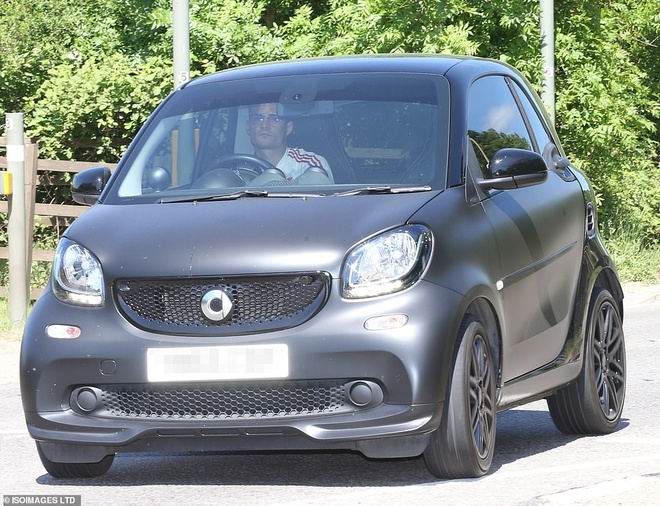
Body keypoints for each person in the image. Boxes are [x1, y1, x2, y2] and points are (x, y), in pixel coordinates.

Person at [246, 103, 333, 182]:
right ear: (248, 127)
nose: (265, 125)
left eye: (275, 119)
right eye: (258, 119)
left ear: (288, 128)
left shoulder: (309, 165)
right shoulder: (239, 170)